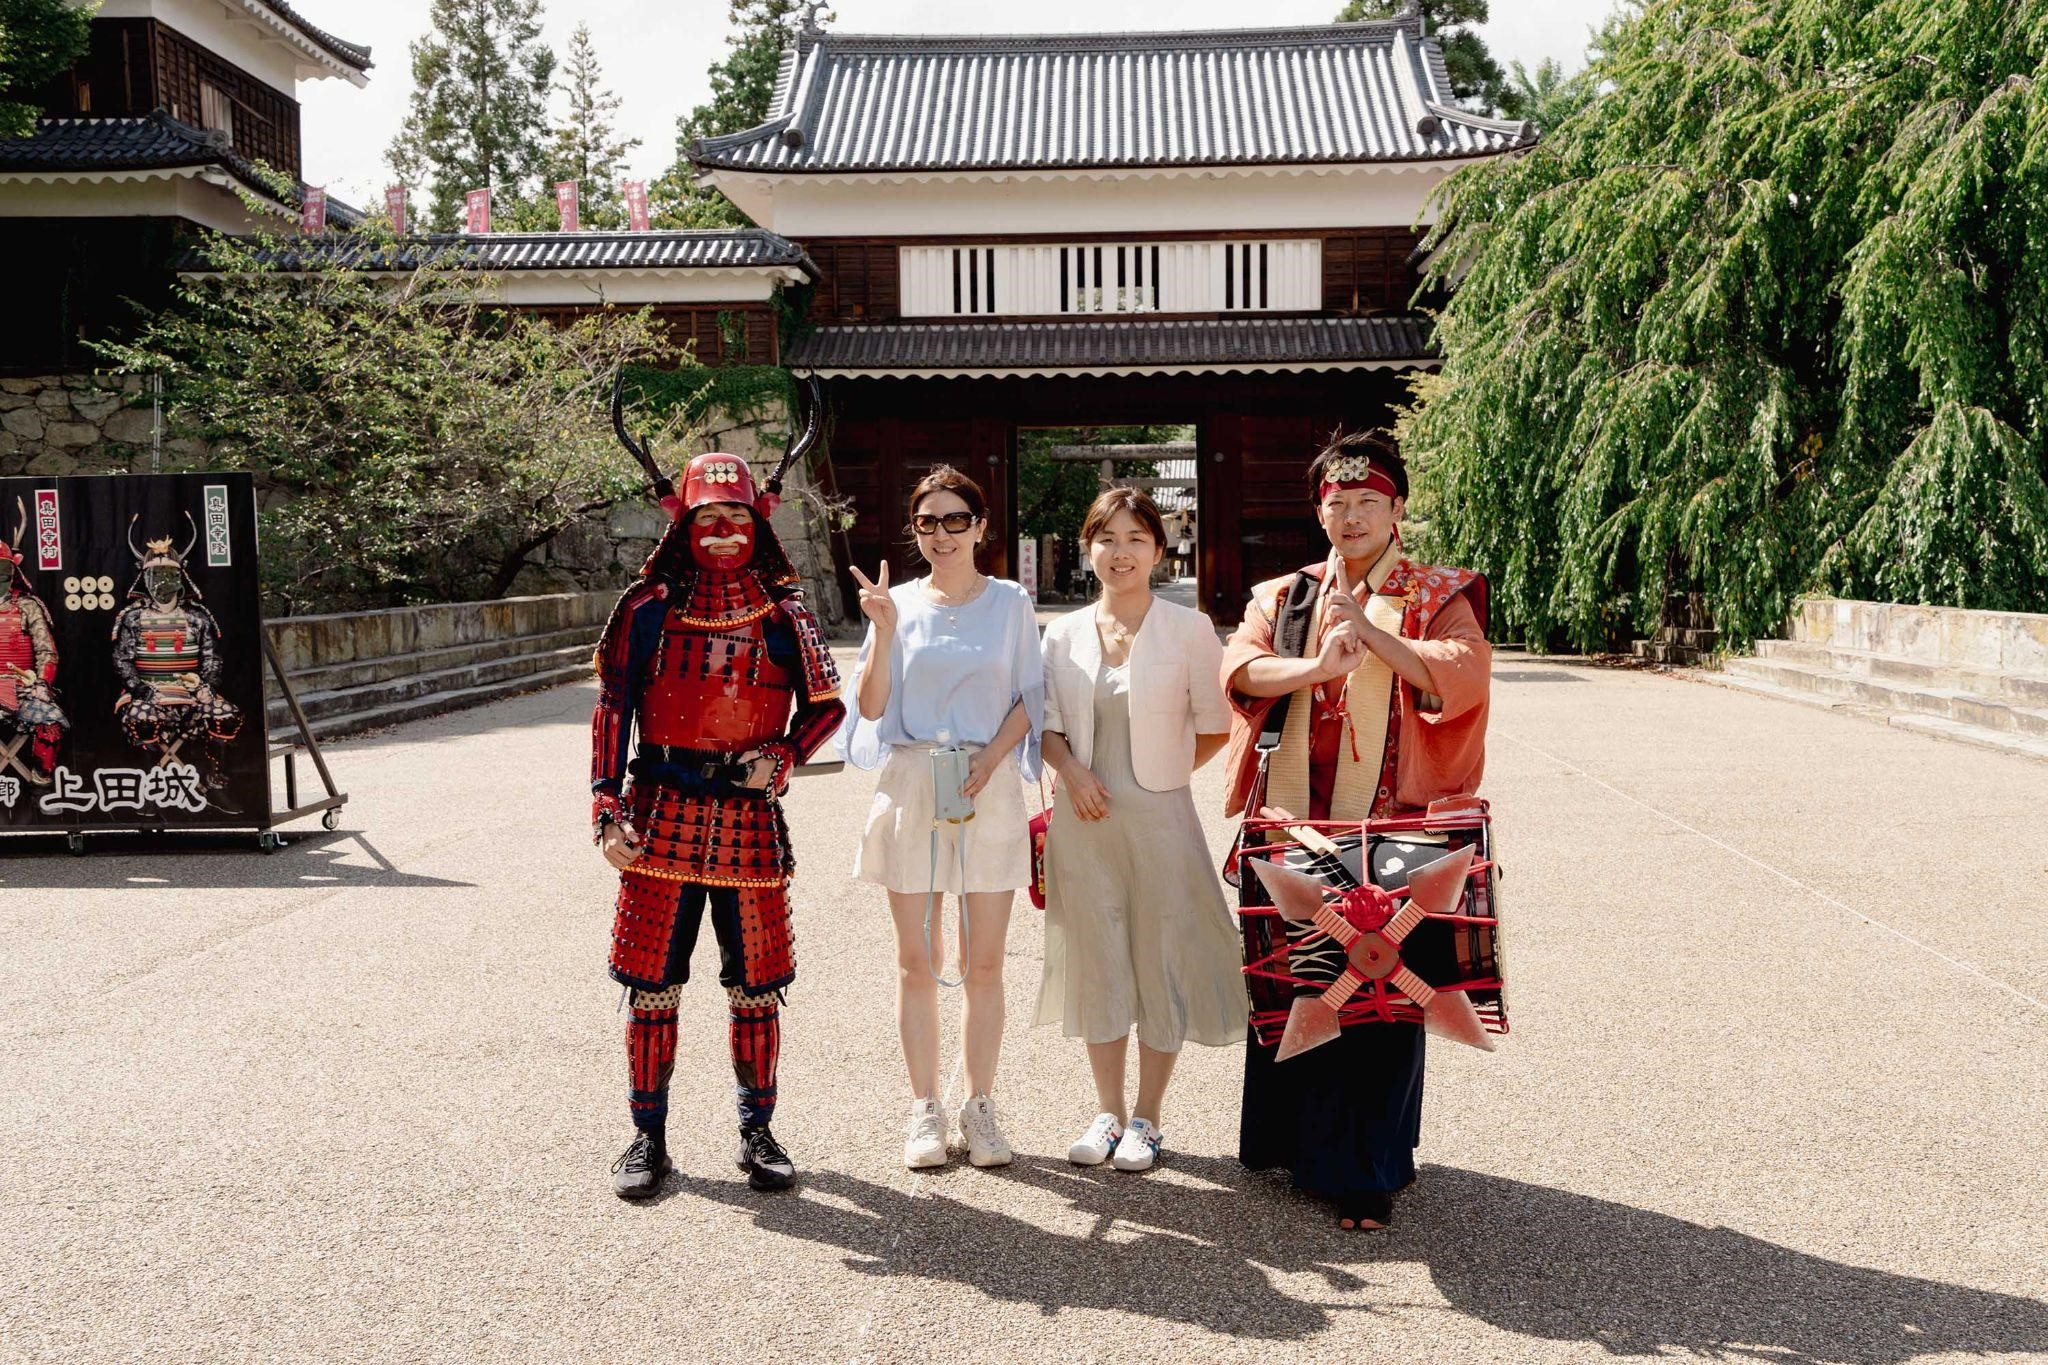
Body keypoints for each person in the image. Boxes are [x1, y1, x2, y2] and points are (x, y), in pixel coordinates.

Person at [1220, 431, 1490, 1230]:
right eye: (1338, 504)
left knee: (1382, 986)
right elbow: (1240, 667)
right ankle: (1293, 1145)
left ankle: (1368, 1168)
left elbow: (1465, 669)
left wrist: (1374, 636)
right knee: (1296, 973)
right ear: (1319, 511)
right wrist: (1315, 668)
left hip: (1393, 826)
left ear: (1397, 508)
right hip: (1298, 818)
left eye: (1369, 501)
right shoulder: (1287, 595)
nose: (1353, 517)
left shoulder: (1437, 590)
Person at [591, 450, 845, 1200]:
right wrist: (605, 805)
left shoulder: (785, 615)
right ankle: (647, 1138)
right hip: (659, 814)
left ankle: (757, 1132)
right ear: (684, 524)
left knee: (756, 990)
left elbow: (827, 707)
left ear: (758, 521)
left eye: (737, 516)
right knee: (651, 989)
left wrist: (785, 754)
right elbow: (613, 705)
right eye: (710, 517)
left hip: (748, 826)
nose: (725, 531)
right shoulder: (648, 609)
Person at [838, 465, 1043, 1170]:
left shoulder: (1011, 603)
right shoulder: (894, 603)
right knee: (916, 961)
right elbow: (870, 707)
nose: (943, 534)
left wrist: (992, 759)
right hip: (914, 780)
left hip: (986, 783)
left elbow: (1031, 696)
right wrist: (883, 632)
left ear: (981, 527)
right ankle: (924, 1104)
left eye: (957, 519)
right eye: (928, 522)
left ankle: (979, 1103)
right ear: (915, 531)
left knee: (984, 962)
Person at [1038, 488, 1245, 1173]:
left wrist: (1162, 775)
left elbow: (1216, 724)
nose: (1119, 552)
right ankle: (1106, 1110)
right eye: (1106, 538)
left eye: (1135, 538)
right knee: (1098, 958)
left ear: (1159, 549)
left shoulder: (1189, 628)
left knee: (1160, 961)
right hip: (1084, 821)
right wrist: (1073, 773)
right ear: (1088, 548)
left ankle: (1148, 1117)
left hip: (1161, 821)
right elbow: (1047, 728)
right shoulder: (1062, 633)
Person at [111, 515, 241, 789]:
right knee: (142, 719)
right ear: (145, 578)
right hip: (148, 690)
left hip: (191, 690)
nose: (162, 582)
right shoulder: (133, 618)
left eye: (169, 575)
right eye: (155, 575)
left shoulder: (197, 617)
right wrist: (140, 689)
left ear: (180, 576)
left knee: (225, 715)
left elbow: (211, 657)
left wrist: (206, 686)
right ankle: (152, 777)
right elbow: (122, 660)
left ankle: (213, 774)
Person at [0, 500, 66, 784]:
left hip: (23, 688)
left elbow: (46, 651)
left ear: (12, 571)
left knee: (50, 721)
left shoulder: (27, 606)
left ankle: (40, 779)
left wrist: (41, 684)